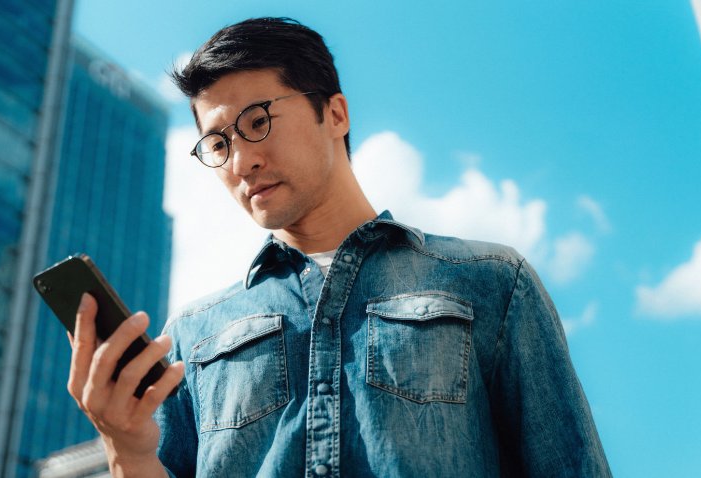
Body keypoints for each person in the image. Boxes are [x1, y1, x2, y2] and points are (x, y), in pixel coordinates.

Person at [67, 17, 612, 477]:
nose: (240, 162)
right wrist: (126, 450)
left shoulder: (492, 281)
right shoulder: (192, 333)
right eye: (217, 143)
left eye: (257, 122)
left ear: (335, 114)